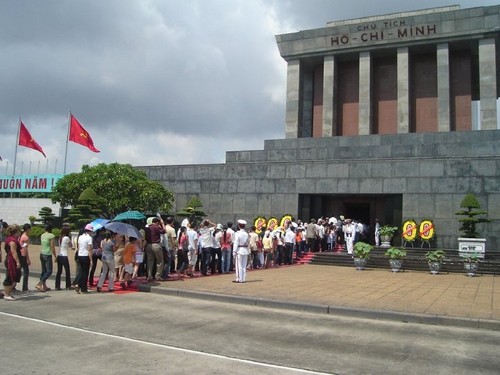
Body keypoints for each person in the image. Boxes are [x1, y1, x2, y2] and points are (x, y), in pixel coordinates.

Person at [3, 224, 22, 300]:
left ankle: (8, 293)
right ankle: (7, 294)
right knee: (11, 276)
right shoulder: (12, 241)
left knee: (13, 276)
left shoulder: (10, 239)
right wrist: (18, 262)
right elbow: (13, 252)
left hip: (10, 259)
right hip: (11, 260)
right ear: (16, 231)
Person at [74, 224, 93, 294]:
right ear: (90, 231)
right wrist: (91, 260)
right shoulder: (89, 238)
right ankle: (83, 288)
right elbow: (89, 249)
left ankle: (78, 285)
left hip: (80, 255)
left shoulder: (80, 237)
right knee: (85, 273)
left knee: (81, 271)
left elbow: (78, 247)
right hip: (85, 256)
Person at [144, 217, 165, 282]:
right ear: (157, 222)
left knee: (150, 261)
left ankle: (149, 276)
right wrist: (162, 224)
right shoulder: (156, 227)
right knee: (160, 261)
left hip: (148, 245)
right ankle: (158, 276)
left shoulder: (147, 228)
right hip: (156, 244)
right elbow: (164, 231)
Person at [36, 224, 56, 292]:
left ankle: (44, 286)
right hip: (47, 254)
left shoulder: (42, 235)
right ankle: (39, 284)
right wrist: (55, 255)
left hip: (42, 253)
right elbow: (52, 246)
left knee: (44, 271)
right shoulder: (51, 235)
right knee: (49, 271)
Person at [55, 226, 74, 290]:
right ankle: (68, 285)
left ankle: (57, 286)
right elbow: (71, 245)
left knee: (59, 271)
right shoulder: (66, 238)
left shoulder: (60, 238)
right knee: (67, 271)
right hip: (64, 256)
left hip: (59, 255)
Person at [232, 219, 249, 283]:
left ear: (239, 226)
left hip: (239, 250)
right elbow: (247, 242)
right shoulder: (246, 234)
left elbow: (236, 243)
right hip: (245, 249)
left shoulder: (237, 234)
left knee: (239, 265)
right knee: (244, 265)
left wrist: (234, 251)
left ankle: (239, 278)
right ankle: (243, 278)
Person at [19, 223, 32, 293]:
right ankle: (25, 287)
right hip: (23, 255)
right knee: (26, 271)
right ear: (27, 229)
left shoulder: (21, 236)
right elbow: (25, 249)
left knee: (18, 270)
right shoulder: (26, 237)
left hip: (20, 254)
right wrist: (28, 259)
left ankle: (13, 285)